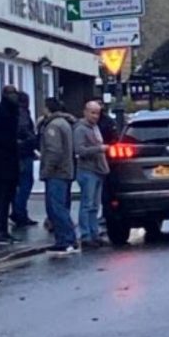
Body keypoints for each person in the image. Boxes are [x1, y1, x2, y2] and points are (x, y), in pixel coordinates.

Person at [40, 98, 79, 255]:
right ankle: (67, 240)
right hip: (66, 170)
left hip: (56, 172)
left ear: (47, 108)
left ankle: (66, 240)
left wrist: (47, 169)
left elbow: (54, 151)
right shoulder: (65, 123)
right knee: (62, 206)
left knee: (56, 208)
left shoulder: (53, 126)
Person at [74, 100, 110, 248]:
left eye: (97, 113)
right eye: (92, 113)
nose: (95, 116)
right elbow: (79, 150)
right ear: (85, 112)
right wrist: (99, 149)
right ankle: (85, 235)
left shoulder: (95, 127)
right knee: (87, 204)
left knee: (94, 205)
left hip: (98, 170)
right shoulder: (80, 129)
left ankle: (94, 234)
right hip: (87, 170)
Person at [0, 86, 22, 244]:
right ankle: (0, 231)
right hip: (1, 165)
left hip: (8, 163)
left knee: (6, 198)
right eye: (12, 94)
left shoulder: (11, 112)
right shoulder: (1, 113)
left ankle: (2, 230)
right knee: (1, 199)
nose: (15, 97)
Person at [11, 92, 38, 227]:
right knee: (25, 183)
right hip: (23, 154)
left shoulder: (11, 113)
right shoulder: (22, 113)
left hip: (14, 154)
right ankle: (19, 212)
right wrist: (33, 141)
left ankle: (18, 212)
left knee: (17, 185)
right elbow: (24, 131)